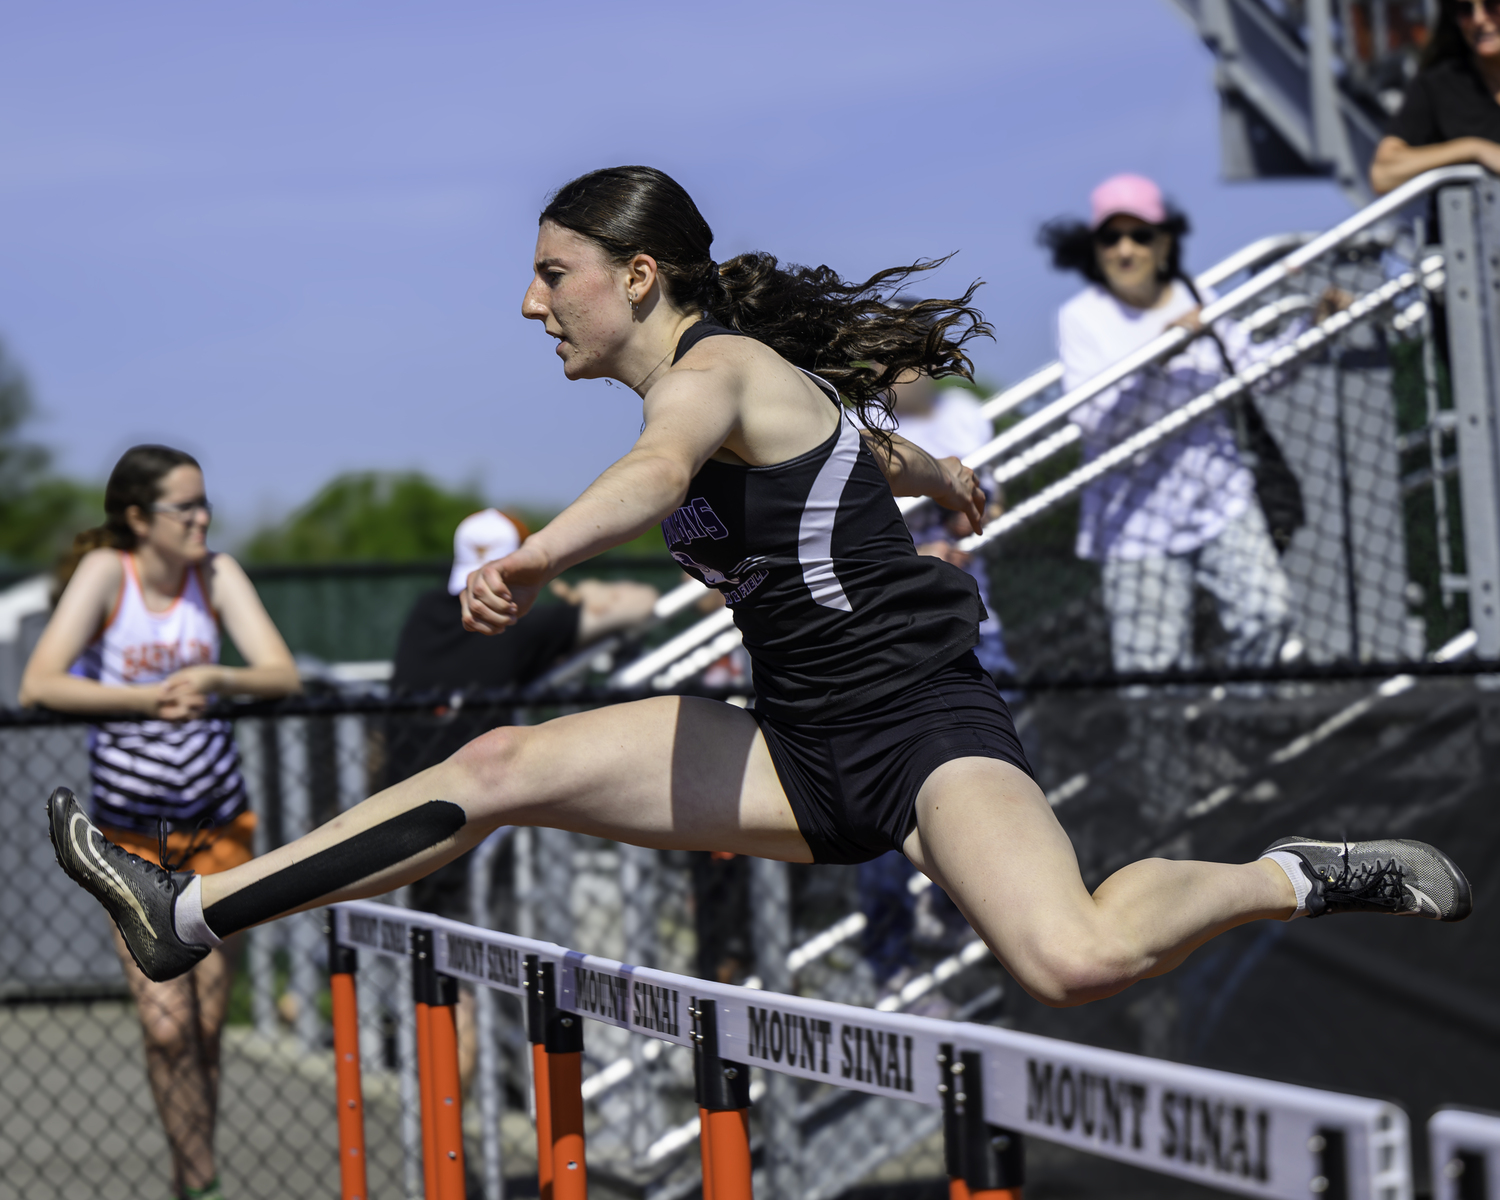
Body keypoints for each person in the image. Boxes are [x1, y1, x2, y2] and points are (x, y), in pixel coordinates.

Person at [50, 167, 1470, 1024]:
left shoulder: (710, 372)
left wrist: (542, 553)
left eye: (552, 276)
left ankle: (1299, 873)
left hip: (920, 731)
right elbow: (842, 440)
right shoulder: (753, 385)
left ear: (637, 275)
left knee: (1073, 953)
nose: (531, 304)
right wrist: (928, 472)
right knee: (493, 763)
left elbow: (667, 467)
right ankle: (190, 915)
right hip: (792, 744)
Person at [22, 444, 300, 1200]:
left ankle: (197, 1177)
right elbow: (40, 682)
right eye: (187, 508)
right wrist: (144, 701)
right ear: (141, 519)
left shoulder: (218, 575)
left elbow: (281, 673)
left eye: (205, 503)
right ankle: (196, 1178)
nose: (204, 519)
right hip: (128, 842)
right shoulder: (108, 575)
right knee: (165, 1026)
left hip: (218, 825)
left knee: (206, 1026)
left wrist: (217, 678)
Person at [387, 506, 657, 1088]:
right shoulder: (519, 622)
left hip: (406, 813)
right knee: (504, 965)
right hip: (478, 828)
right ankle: (481, 1106)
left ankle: (446, 1127)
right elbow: (640, 602)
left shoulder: (423, 614)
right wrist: (577, 592)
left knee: (443, 974)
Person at [1043, 173, 1328, 676]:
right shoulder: (1081, 317)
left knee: (1268, 616)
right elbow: (1095, 423)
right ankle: (1175, 749)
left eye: (1141, 235)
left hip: (1218, 498)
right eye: (1111, 237)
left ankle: (1232, 726)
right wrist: (1159, 353)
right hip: (1132, 521)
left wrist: (1314, 326)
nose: (1126, 250)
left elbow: (1258, 371)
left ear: (1165, 241)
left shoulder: (1196, 293)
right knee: (1150, 674)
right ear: (1095, 247)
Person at [891, 369, 1016, 678]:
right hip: (906, 622)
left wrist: (974, 515)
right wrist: (917, 556)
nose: (896, 373)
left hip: (974, 609)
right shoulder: (861, 427)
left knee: (1004, 708)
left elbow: (995, 499)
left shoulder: (961, 408)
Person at [1370, 0, 1500, 196]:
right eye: (1465, 9)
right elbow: (1383, 174)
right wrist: (1473, 149)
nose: (1478, 19)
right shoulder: (1437, 85)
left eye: (1492, 5)